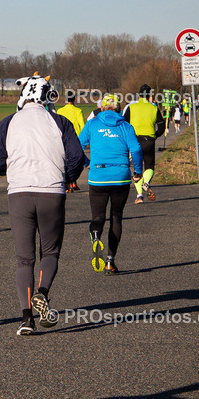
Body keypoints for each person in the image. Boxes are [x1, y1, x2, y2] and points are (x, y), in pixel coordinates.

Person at [0, 74, 85, 335]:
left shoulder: (8, 122)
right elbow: (77, 157)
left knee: (24, 260)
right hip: (52, 192)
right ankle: (42, 293)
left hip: (18, 193)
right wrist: (67, 178)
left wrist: (16, 168)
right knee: (50, 252)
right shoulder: (61, 122)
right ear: (48, 96)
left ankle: (26, 319)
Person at [78, 93, 142, 275]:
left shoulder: (92, 124)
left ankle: (96, 236)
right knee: (116, 217)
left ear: (102, 108)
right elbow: (136, 149)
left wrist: (87, 163)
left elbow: (77, 146)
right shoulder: (126, 127)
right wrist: (137, 171)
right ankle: (109, 261)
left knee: (97, 217)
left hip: (98, 176)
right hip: (120, 176)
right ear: (119, 108)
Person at [123, 84, 166, 204]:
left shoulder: (130, 107)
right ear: (150, 96)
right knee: (149, 165)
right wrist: (155, 135)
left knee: (137, 169)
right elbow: (162, 125)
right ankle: (146, 183)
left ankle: (139, 196)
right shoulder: (154, 108)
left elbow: (123, 124)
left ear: (138, 95)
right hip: (149, 140)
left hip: (134, 141)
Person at [57, 95, 86, 192]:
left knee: (64, 160)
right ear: (74, 99)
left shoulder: (60, 111)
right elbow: (82, 126)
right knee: (76, 160)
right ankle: (73, 181)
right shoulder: (78, 111)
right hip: (75, 139)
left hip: (62, 138)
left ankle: (67, 182)